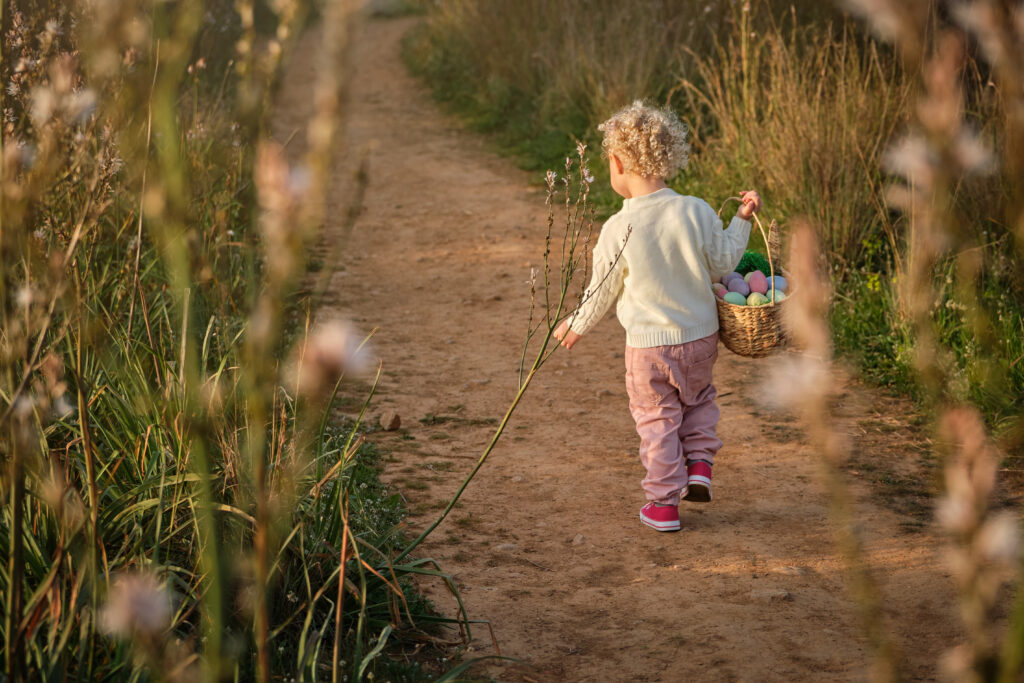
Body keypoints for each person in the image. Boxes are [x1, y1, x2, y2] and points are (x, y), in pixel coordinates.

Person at [553, 100, 761, 532]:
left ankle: (664, 505)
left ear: (616, 163)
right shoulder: (697, 209)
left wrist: (576, 324)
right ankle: (700, 466)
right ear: (669, 158)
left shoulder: (618, 228)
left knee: (658, 419)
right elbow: (724, 263)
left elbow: (602, 288)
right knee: (699, 401)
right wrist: (741, 219)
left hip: (648, 350)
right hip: (701, 338)